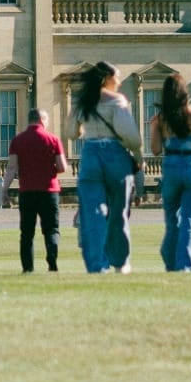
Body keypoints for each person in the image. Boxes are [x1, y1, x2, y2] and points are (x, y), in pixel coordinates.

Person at [72, 62, 143, 274]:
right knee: (118, 212)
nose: (119, 82)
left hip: (90, 152)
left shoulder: (82, 101)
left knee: (93, 213)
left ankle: (98, 265)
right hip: (113, 153)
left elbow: (70, 132)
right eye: (117, 78)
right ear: (106, 79)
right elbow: (130, 136)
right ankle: (120, 263)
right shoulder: (116, 101)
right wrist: (138, 157)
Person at [149, 75, 191, 274]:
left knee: (171, 218)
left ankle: (170, 260)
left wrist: (155, 128)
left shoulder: (161, 119)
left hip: (171, 166)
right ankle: (185, 264)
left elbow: (155, 150)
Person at [9, 107, 69, 273]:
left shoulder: (18, 140)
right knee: (51, 229)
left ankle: (28, 268)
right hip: (49, 191)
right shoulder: (53, 139)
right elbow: (62, 167)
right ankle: (52, 258)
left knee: (26, 233)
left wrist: (4, 189)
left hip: (27, 190)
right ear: (42, 120)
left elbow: (11, 168)